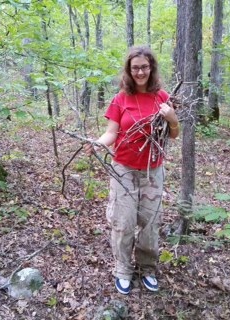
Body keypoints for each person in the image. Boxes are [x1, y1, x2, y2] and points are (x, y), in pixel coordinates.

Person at [84, 45, 179, 295]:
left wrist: (172, 118)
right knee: (123, 221)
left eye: (144, 67)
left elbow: (174, 134)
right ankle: (123, 269)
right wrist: (97, 144)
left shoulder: (162, 97)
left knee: (150, 222)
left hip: (153, 170)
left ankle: (147, 268)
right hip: (123, 168)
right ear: (129, 70)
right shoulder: (121, 98)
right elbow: (111, 133)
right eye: (135, 67)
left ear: (151, 68)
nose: (140, 72)